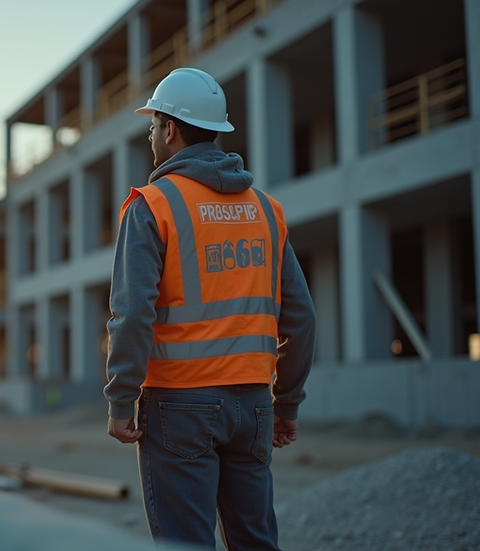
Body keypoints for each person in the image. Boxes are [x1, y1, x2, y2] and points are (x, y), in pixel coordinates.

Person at [104, 68, 316, 550]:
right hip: (255, 405)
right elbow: (301, 320)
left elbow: (133, 314)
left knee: (186, 543)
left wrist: (120, 400)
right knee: (256, 541)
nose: (151, 135)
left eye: (153, 125)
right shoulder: (266, 210)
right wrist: (287, 403)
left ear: (170, 129)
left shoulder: (152, 205)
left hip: (180, 406)